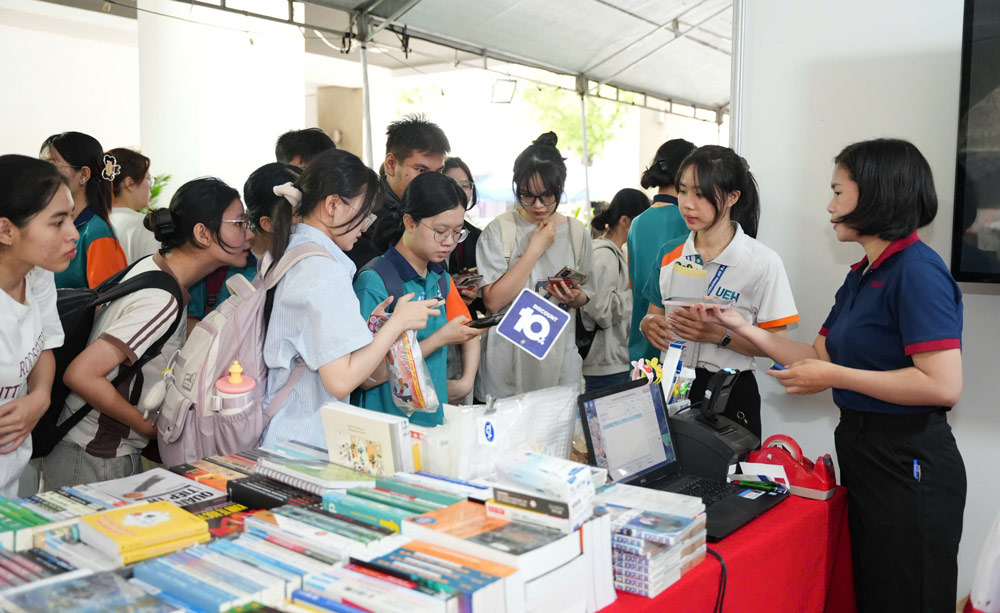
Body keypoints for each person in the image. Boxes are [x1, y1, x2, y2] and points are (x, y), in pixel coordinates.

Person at [695, 138, 966, 612]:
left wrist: (835, 375)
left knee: (908, 596)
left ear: (878, 195)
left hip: (908, 459)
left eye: (839, 192)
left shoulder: (918, 271)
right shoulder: (862, 273)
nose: (830, 205)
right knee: (872, 592)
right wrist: (742, 329)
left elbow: (943, 384)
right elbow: (813, 354)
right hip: (863, 451)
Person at [42, 177, 254, 489]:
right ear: (202, 234)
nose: (249, 233)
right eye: (239, 223)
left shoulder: (156, 270)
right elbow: (82, 375)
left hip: (97, 452)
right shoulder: (161, 297)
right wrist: (150, 427)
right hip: (93, 456)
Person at [260, 149, 441, 448]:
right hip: (304, 440)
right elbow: (341, 380)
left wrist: (373, 329)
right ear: (333, 204)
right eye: (363, 213)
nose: (366, 225)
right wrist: (397, 323)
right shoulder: (323, 272)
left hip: (285, 431)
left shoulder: (294, 252)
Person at [639, 145, 797, 439]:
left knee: (727, 481)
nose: (687, 204)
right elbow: (652, 316)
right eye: (683, 191)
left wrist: (718, 335)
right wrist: (648, 325)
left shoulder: (763, 263)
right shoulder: (668, 254)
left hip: (730, 392)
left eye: (700, 194)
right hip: (672, 385)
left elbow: (777, 347)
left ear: (733, 197)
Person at [353, 172, 487, 424]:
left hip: (432, 423)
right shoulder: (375, 281)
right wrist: (440, 339)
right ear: (410, 222)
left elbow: (468, 332)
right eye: (440, 231)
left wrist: (466, 382)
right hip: (386, 428)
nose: (449, 242)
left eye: (457, 232)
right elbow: (367, 377)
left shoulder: (441, 279)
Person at [475, 132, 593, 399]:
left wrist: (575, 297)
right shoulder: (500, 230)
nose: (537, 205)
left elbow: (588, 294)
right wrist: (535, 249)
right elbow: (493, 302)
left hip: (558, 369)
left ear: (561, 188)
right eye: (527, 196)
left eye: (547, 196)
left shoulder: (576, 233)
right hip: (504, 372)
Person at [0, 156, 77, 497]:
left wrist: (41, 397)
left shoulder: (38, 273)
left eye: (71, 217)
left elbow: (46, 341)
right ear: (6, 230)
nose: (73, 234)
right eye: (57, 222)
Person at [349, 114, 451, 270]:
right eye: (421, 170)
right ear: (391, 164)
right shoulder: (363, 215)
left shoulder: (435, 212)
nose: (432, 181)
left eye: (438, 172)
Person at [627, 138, 696, 363]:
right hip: (671, 347)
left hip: (640, 345)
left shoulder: (637, 222)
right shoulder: (686, 222)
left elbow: (633, 283)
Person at [582, 188, 650, 392]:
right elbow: (600, 309)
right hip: (605, 364)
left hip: (612, 361)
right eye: (640, 223)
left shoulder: (614, 252)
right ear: (625, 221)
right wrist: (637, 297)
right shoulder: (605, 255)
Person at [40, 132, 127, 289]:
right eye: (42, 166)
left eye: (52, 165)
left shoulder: (96, 232)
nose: (43, 175)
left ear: (84, 175)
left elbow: (107, 304)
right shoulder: (51, 226)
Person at [442, 157, 485, 312]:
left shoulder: (478, 237)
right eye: (452, 184)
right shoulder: (425, 231)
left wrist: (472, 295)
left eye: (465, 185)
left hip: (465, 320)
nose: (459, 190)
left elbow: (486, 302)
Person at [107, 147, 160, 264]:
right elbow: (152, 276)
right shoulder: (144, 226)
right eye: (148, 179)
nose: (150, 186)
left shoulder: (93, 221)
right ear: (129, 183)